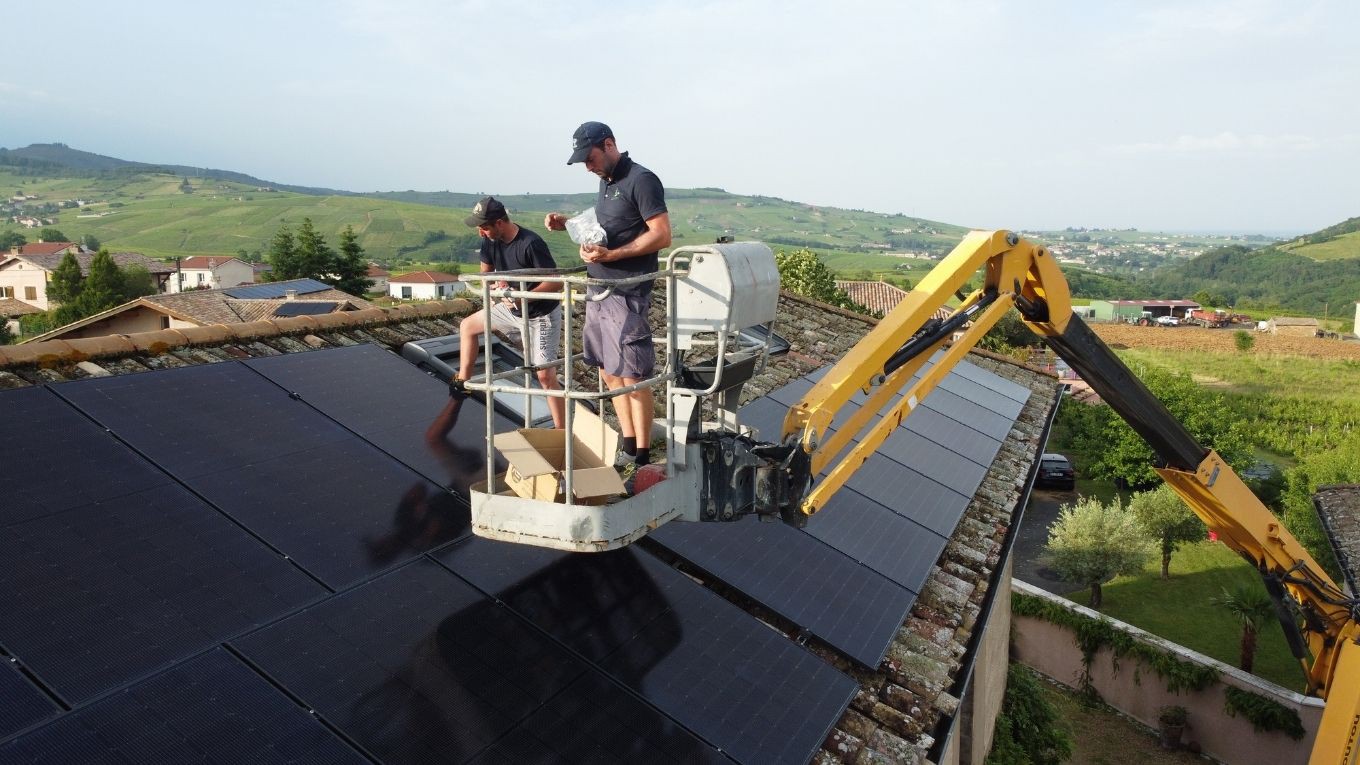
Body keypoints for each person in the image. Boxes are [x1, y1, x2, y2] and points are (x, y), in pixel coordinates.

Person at [545, 122, 671, 473]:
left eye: (590, 157)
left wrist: (612, 257)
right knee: (609, 372)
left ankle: (643, 456)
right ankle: (629, 446)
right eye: (583, 161)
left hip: (627, 291)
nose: (587, 166)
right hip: (598, 289)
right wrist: (567, 224)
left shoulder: (642, 180)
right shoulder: (608, 182)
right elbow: (610, 228)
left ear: (610, 144)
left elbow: (661, 235)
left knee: (633, 375)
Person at [452, 196, 565, 428]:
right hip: (510, 308)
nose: (481, 233)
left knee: (544, 376)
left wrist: (523, 297)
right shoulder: (489, 242)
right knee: (468, 326)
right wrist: (497, 287)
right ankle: (463, 381)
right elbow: (486, 276)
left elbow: (556, 282)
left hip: (540, 315)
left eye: (484, 227)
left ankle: (562, 431)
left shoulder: (531, 243)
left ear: (499, 223)